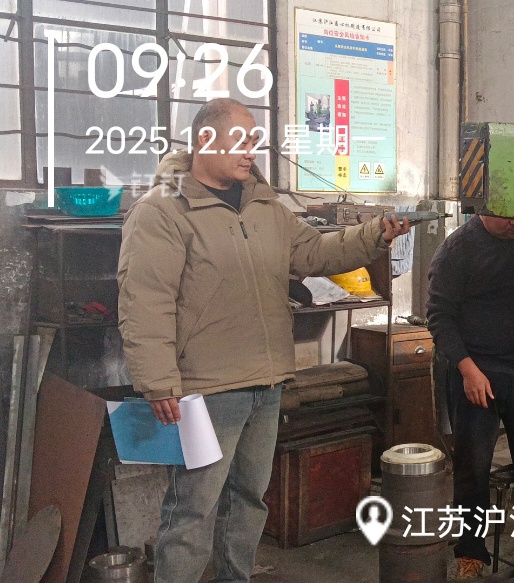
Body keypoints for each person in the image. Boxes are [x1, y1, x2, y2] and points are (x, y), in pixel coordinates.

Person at [117, 98, 412, 583]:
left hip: (266, 380)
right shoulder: (163, 211)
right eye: (240, 139)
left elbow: (315, 252)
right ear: (204, 140)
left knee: (250, 501)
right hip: (206, 388)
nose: (250, 150)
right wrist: (157, 381)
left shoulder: (265, 206)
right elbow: (145, 301)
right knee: (193, 509)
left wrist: (373, 235)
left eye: (254, 140)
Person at [426, 212, 514, 579]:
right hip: (478, 371)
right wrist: (467, 369)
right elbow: (439, 316)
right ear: (484, 207)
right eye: (505, 215)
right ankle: (471, 551)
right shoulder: (458, 249)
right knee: (472, 467)